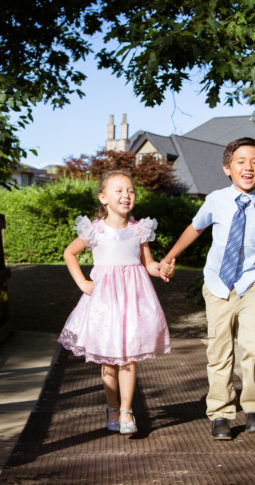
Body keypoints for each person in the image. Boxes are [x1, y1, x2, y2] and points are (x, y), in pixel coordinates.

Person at [160, 137, 255, 440]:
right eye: (241, 161)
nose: (248, 167)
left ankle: (254, 406)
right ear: (227, 168)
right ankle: (220, 413)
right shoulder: (216, 200)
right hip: (218, 285)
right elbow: (196, 228)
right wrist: (169, 256)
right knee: (220, 350)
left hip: (253, 284)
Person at [58, 170, 175, 435]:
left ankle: (126, 411)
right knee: (108, 361)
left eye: (130, 191)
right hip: (105, 304)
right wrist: (82, 283)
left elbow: (149, 265)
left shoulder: (139, 231)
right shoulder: (95, 230)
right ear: (104, 198)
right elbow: (69, 253)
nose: (126, 195)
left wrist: (163, 269)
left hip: (133, 302)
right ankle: (111, 407)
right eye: (119, 190)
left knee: (128, 358)